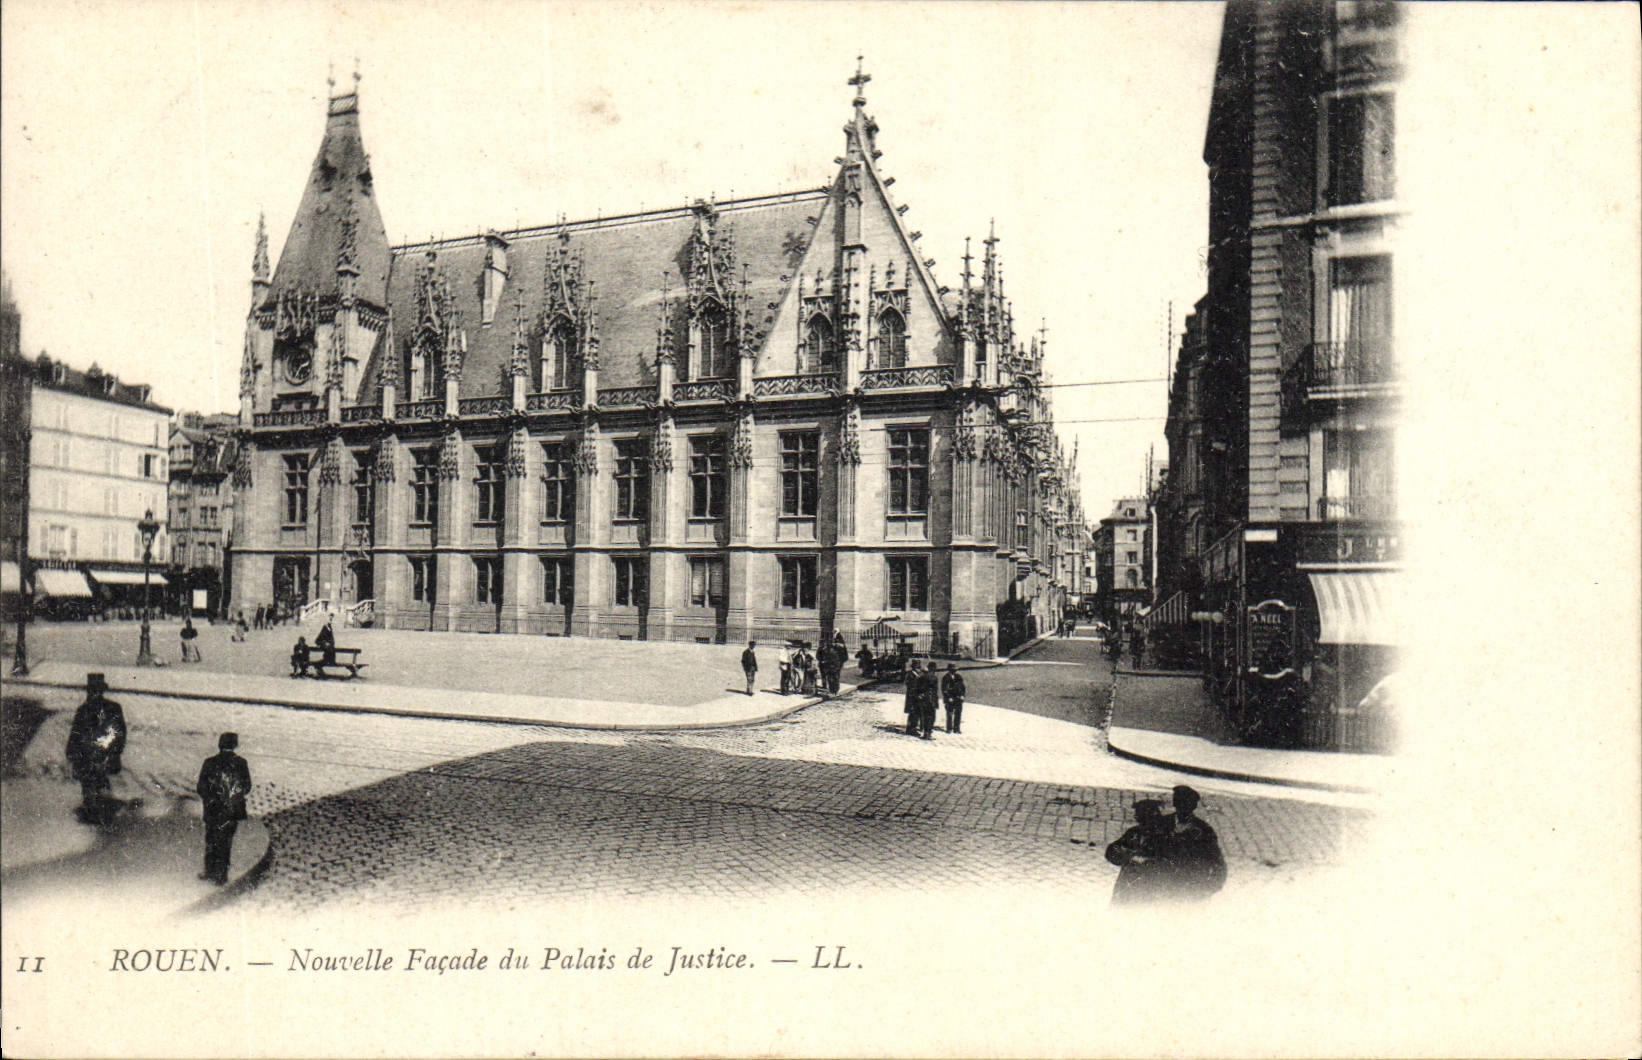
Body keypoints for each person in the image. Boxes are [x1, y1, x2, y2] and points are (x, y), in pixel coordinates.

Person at [65, 673, 127, 825]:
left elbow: (119, 734)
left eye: (96, 691)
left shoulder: (111, 709)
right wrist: (72, 755)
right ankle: (94, 814)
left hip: (104, 757)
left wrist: (111, 754)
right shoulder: (84, 710)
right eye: (92, 691)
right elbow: (75, 735)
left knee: (97, 786)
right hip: (88, 758)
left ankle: (99, 815)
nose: (93, 695)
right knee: (91, 786)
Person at [195, 732, 252, 885]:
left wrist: (211, 800)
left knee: (211, 839)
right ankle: (221, 876)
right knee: (225, 842)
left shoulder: (209, 762)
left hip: (213, 809)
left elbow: (201, 787)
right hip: (231, 810)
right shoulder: (241, 763)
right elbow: (246, 787)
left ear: (219, 744)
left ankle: (209, 871)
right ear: (235, 745)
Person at [1162, 785, 1227, 900]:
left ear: (1193, 806)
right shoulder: (1163, 824)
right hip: (1163, 887)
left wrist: (1209, 889)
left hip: (1190, 888)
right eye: (1178, 802)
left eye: (1186, 804)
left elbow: (1217, 863)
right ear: (1174, 803)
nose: (1182, 808)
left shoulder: (1204, 830)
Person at [1105, 799, 1171, 905]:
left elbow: (1173, 861)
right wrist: (1129, 856)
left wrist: (1147, 861)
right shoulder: (1134, 833)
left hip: (1153, 888)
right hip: (1128, 887)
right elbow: (1111, 852)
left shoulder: (1167, 836)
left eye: (1140, 815)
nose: (1136, 818)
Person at [941, 664, 966, 734]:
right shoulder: (945, 677)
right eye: (953, 669)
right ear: (949, 669)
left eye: (955, 669)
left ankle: (956, 728)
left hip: (958, 698)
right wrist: (948, 697)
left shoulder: (959, 677)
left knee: (958, 713)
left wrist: (962, 695)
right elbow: (944, 689)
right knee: (949, 713)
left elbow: (963, 687)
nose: (954, 671)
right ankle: (949, 728)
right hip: (950, 698)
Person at [917, 662, 939, 739]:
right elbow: (935, 691)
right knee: (931, 717)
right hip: (931, 700)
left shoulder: (922, 677)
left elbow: (918, 689)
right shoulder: (934, 677)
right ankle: (928, 733)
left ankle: (926, 733)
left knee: (925, 716)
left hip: (924, 700)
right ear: (933, 669)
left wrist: (921, 695)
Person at [903, 660, 923, 736]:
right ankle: (911, 729)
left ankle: (912, 728)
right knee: (913, 713)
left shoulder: (918, 675)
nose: (919, 669)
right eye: (918, 667)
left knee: (916, 713)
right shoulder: (910, 675)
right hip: (912, 697)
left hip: (916, 697)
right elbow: (910, 687)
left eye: (919, 667)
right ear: (914, 667)